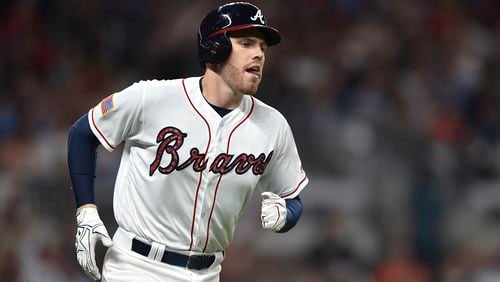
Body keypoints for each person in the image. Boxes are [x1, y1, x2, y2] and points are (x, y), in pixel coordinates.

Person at [67, 2, 309, 281]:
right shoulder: (152, 98)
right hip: (136, 266)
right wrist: (86, 212)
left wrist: (285, 215)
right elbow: (82, 134)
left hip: (208, 273)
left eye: (263, 48)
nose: (258, 54)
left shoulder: (272, 125)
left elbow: (292, 197)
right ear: (215, 47)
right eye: (247, 43)